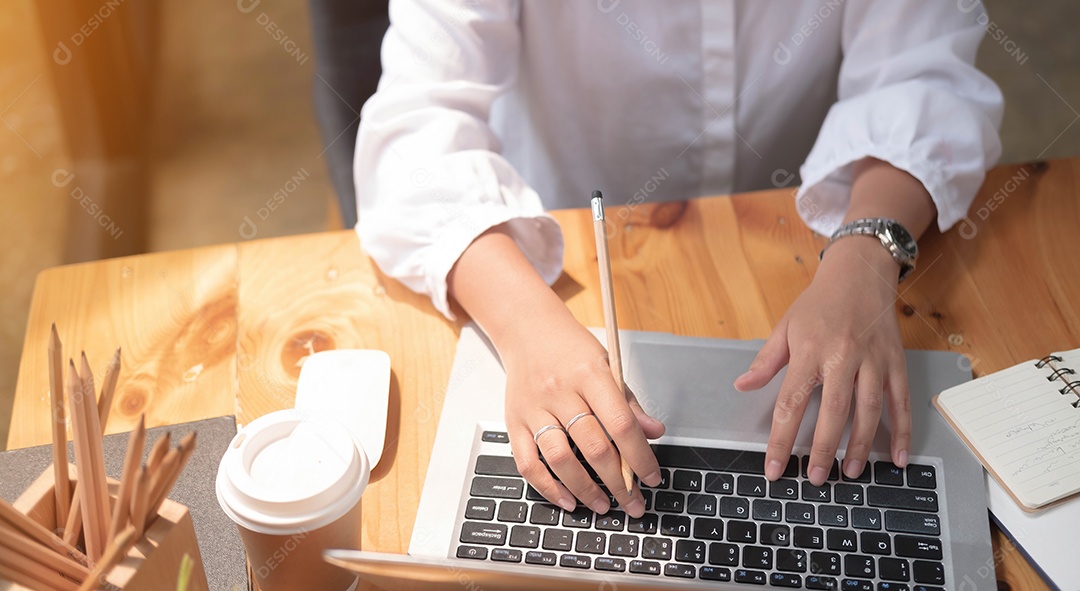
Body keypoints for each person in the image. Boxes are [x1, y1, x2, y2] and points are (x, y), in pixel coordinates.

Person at [352, 1, 1003, 519]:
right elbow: (416, 127)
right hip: (546, 252)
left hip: (807, 237)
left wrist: (868, 254)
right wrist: (522, 324)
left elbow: (925, 75)